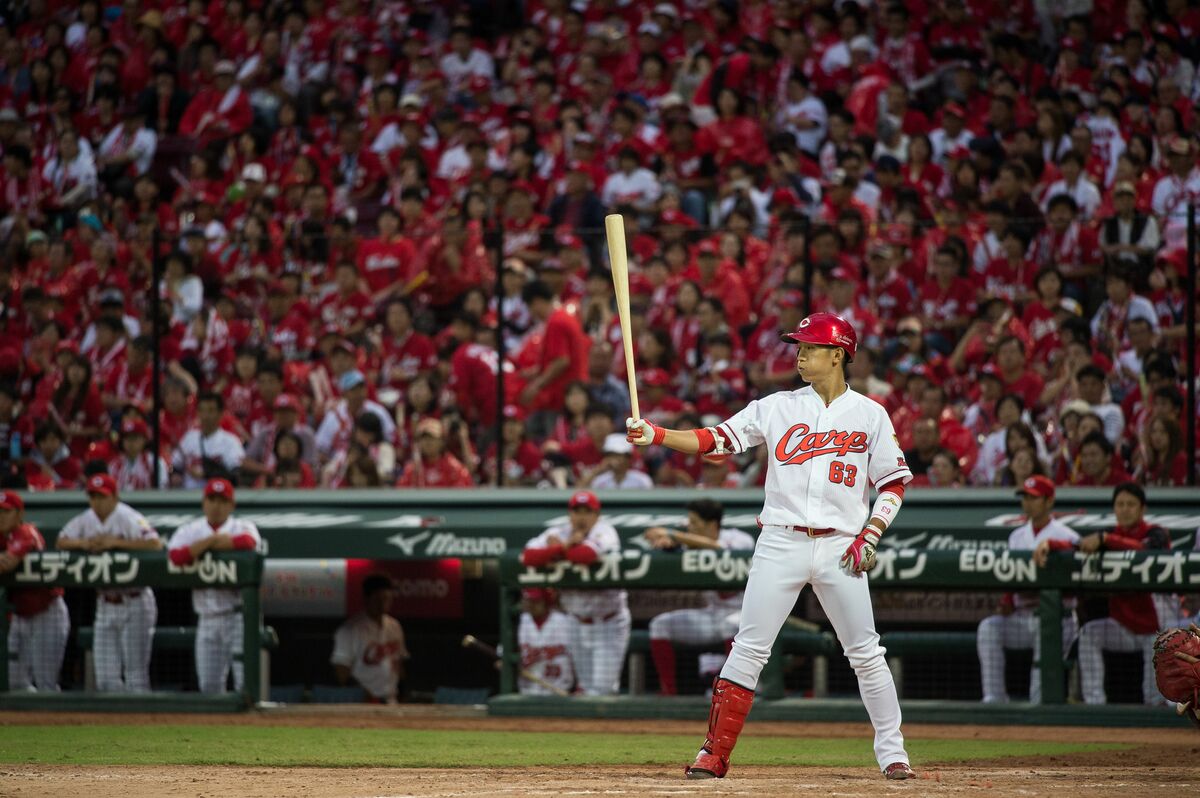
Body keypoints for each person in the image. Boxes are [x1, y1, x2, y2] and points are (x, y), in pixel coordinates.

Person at [626, 312, 916, 780]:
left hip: (841, 543)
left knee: (865, 652)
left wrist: (872, 532)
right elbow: (715, 440)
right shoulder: (778, 405)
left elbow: (894, 483)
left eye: (810, 347)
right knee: (749, 648)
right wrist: (656, 434)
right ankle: (713, 753)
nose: (799, 354)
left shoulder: (870, 414)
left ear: (839, 354)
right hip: (781, 541)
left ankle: (893, 752)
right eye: (798, 346)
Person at [976, 476, 1079, 704]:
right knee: (989, 628)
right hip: (1022, 617)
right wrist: (1007, 601)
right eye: (1025, 497)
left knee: (1039, 690)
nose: (1028, 502)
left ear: (1049, 501)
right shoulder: (1017, 536)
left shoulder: (1067, 536)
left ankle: (1039, 708)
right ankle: (994, 698)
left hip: (1057, 619)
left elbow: (1078, 584)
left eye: (1034, 498)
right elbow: (1011, 580)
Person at [55, 474, 162, 692]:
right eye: (93, 496)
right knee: (105, 679)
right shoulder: (86, 519)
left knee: (135, 676)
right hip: (104, 603)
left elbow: (155, 543)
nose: (97, 502)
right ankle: (118, 724)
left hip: (135, 600)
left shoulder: (128, 516)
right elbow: (61, 541)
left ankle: (141, 724)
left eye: (102, 496)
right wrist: (84, 543)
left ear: (114, 496)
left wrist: (116, 542)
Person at [521, 490, 630, 696]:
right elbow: (528, 557)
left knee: (602, 689)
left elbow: (585, 555)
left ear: (597, 515)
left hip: (608, 622)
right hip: (575, 621)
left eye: (587, 511)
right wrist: (566, 546)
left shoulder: (605, 531)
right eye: (577, 511)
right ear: (569, 514)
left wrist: (558, 550)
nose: (581, 517)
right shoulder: (559, 531)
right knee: (586, 687)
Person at [643, 499, 755, 695]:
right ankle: (668, 693)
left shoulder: (740, 538)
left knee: (728, 624)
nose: (690, 527)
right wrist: (666, 544)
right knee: (659, 625)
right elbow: (660, 537)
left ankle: (735, 689)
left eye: (694, 522)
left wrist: (674, 535)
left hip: (745, 618)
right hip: (712, 616)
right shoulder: (690, 543)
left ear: (712, 524)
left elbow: (717, 548)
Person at [1074, 482, 1172, 705]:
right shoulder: (1107, 535)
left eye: (1131, 504)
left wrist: (1107, 540)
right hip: (1123, 627)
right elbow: (1076, 547)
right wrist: (1049, 543)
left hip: (1158, 628)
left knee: (1155, 698)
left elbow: (1145, 550)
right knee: (1089, 633)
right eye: (1120, 504)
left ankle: (1157, 711)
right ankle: (1095, 704)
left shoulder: (1156, 533)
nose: (1125, 509)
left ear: (1142, 508)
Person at [166, 478, 262, 694]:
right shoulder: (191, 529)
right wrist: (212, 542)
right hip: (207, 618)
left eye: (222, 500)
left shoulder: (242, 526)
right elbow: (175, 557)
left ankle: (249, 725)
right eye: (212, 499)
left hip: (238, 616)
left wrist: (202, 546)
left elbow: (248, 542)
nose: (216, 506)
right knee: (209, 686)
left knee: (244, 683)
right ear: (204, 503)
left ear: (232, 505)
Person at [0, 490, 69, 691]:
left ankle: (54, 722)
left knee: (45, 682)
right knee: (13, 682)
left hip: (47, 613)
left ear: (19, 514)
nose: (1, 516)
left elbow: (7, 563)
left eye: (7, 511)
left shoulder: (26, 532)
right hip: (18, 616)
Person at [331, 574, 410, 703]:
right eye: (379, 598)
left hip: (391, 699)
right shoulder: (349, 629)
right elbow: (341, 672)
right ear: (367, 599)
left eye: (387, 598)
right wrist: (361, 694)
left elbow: (399, 663)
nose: (384, 603)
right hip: (362, 702)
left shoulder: (395, 626)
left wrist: (403, 693)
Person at [171, 392, 245, 489]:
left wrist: (206, 475)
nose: (205, 416)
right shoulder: (189, 437)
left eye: (211, 411)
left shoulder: (231, 441)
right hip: (187, 497)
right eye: (202, 410)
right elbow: (175, 465)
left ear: (220, 413)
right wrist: (175, 476)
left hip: (217, 497)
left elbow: (235, 476)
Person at [517, 587, 575, 696]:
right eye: (527, 600)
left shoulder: (563, 621)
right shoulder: (520, 621)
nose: (530, 604)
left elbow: (576, 656)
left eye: (535, 601)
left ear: (547, 602)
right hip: (527, 690)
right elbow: (504, 652)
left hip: (557, 690)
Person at [586, 434, 653, 489]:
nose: (614, 459)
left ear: (628, 458)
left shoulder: (642, 480)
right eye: (611, 455)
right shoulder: (599, 481)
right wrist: (598, 470)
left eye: (618, 455)